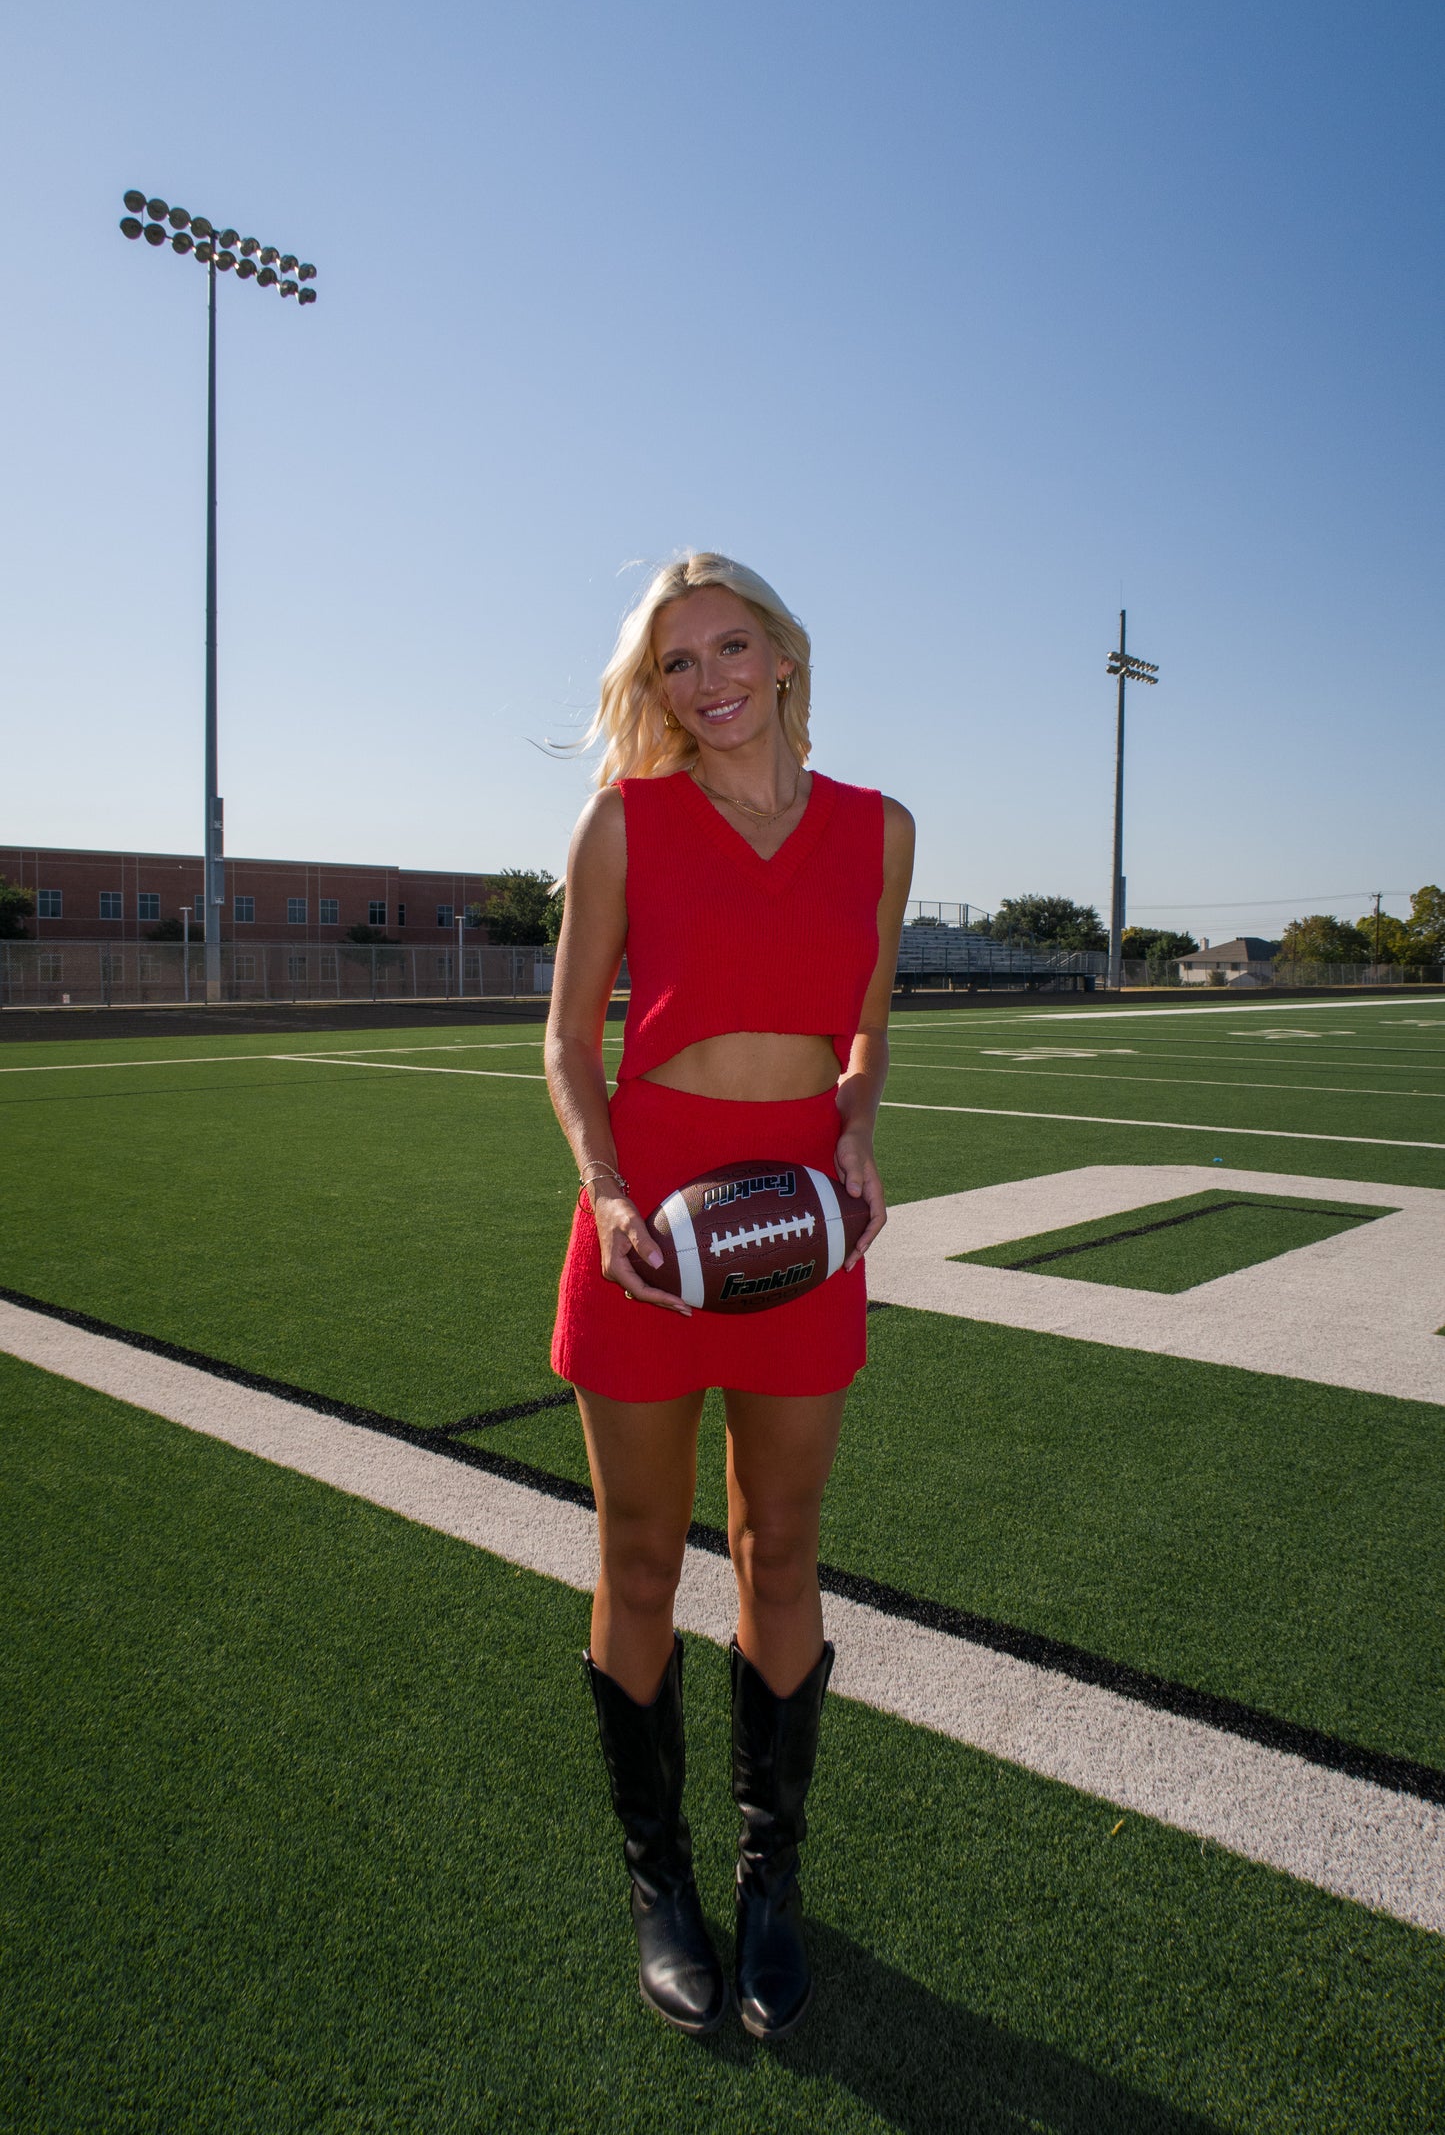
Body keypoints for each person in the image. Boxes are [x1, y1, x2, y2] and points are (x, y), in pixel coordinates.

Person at [544, 553, 913, 2042]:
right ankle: (659, 1885)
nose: (705, 681)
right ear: (655, 691)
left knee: (782, 1549)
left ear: (780, 656)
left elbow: (866, 1037)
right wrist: (608, 1190)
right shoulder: (623, 825)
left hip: (800, 1224)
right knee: (641, 1557)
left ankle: (771, 1884)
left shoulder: (876, 830)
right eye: (674, 663)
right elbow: (569, 1046)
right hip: (648, 1227)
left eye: (728, 646)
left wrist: (859, 1131)